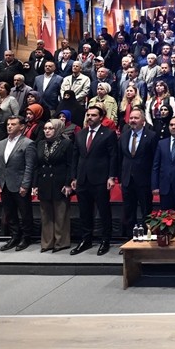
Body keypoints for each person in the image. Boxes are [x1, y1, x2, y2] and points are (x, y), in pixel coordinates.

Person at [71, 106, 118, 256]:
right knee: (84, 212)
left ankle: (105, 240)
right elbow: (75, 156)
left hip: (100, 179)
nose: (90, 117)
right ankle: (86, 239)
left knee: (104, 211)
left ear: (101, 117)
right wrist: (74, 177)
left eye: (93, 115)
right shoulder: (80, 134)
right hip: (82, 178)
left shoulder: (108, 134)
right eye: (88, 115)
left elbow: (113, 156)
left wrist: (111, 176)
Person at [0, 116, 37, 252]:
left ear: (21, 126)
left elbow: (29, 166)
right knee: (10, 212)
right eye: (8, 124)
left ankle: (26, 237)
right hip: (4, 183)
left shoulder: (28, 143)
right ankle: (14, 236)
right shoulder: (1, 143)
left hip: (20, 184)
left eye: (13, 124)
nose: (9, 126)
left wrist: (25, 185)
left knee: (25, 213)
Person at [34, 119, 76, 253]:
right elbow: (37, 166)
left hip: (60, 182)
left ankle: (61, 242)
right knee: (46, 215)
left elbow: (70, 165)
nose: (47, 131)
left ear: (58, 129)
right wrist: (35, 185)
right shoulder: (40, 144)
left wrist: (68, 184)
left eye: (50, 128)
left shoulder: (66, 143)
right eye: (45, 128)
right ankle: (47, 243)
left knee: (60, 214)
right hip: (44, 181)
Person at [116, 109, 158, 241]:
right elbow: (119, 159)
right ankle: (131, 239)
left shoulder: (151, 136)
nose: (133, 120)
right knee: (129, 211)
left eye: (136, 118)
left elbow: (155, 160)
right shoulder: (124, 136)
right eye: (131, 118)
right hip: (127, 180)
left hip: (144, 180)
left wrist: (154, 181)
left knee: (146, 211)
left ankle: (147, 238)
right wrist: (120, 178)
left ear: (143, 120)